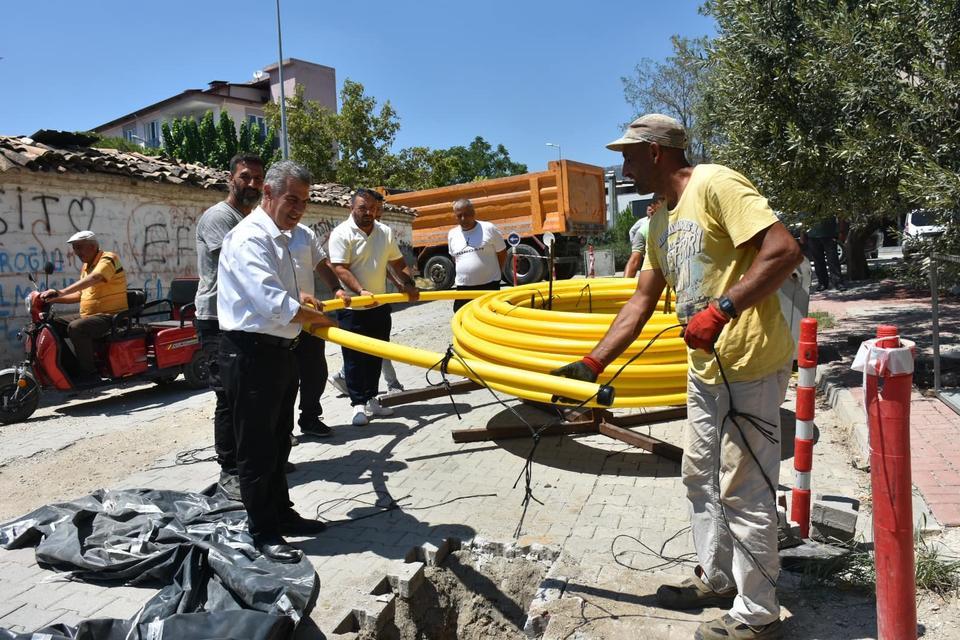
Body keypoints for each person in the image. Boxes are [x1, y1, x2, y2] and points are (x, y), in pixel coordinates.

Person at [552, 114, 802, 640]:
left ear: (657, 153)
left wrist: (724, 307)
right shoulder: (662, 218)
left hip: (750, 363)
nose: (623, 167)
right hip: (706, 371)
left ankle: (759, 615)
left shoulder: (717, 184)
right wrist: (592, 363)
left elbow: (784, 250)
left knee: (745, 488)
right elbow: (641, 301)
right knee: (698, 476)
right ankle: (717, 579)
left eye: (628, 156)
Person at [217, 160, 336, 564]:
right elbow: (270, 302)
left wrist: (301, 300)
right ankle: (262, 531)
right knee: (255, 446)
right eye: (292, 200)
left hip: (279, 352)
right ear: (268, 193)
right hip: (251, 353)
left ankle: (281, 514)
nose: (299, 209)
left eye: (304, 201)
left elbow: (282, 292)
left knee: (279, 438)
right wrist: (315, 318)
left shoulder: (281, 237)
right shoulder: (249, 238)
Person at [195, 153, 265, 499]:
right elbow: (240, 264)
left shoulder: (249, 218)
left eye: (257, 179)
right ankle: (231, 471)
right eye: (245, 177)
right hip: (216, 319)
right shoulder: (219, 218)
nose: (251, 184)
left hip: (241, 319)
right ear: (230, 178)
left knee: (249, 395)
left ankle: (253, 460)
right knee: (227, 396)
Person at [328, 188, 420, 426]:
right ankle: (357, 404)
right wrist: (360, 292)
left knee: (376, 355)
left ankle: (371, 399)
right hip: (352, 308)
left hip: (379, 306)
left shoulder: (384, 232)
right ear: (352, 208)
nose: (368, 213)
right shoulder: (341, 233)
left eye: (372, 208)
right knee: (354, 358)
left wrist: (408, 283)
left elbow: (397, 262)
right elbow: (340, 268)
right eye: (362, 208)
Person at [40, 231, 128, 380]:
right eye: (74, 248)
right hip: (90, 316)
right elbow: (80, 295)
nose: (76, 252)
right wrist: (53, 299)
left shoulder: (108, 259)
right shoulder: (87, 266)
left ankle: (89, 373)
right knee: (50, 325)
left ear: (93, 246)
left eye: (79, 247)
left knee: (76, 328)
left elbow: (96, 277)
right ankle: (69, 369)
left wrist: (61, 291)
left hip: (111, 317)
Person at [447, 198, 507, 312]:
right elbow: (455, 258)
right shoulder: (452, 234)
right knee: (462, 318)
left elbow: (502, 253)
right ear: (455, 216)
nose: (463, 219)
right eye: (459, 216)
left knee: (491, 318)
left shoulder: (489, 228)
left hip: (489, 286)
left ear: (474, 213)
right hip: (464, 288)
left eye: (467, 214)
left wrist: (495, 272)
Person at [801, 216, 846, 292]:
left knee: (833, 260)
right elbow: (804, 220)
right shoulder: (806, 206)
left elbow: (840, 215)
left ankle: (838, 283)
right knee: (818, 261)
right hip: (812, 235)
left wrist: (841, 231)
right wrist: (802, 234)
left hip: (829, 234)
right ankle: (822, 283)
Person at [624, 195, 665, 278]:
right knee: (636, 260)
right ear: (655, 206)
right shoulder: (644, 226)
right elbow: (632, 231)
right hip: (643, 235)